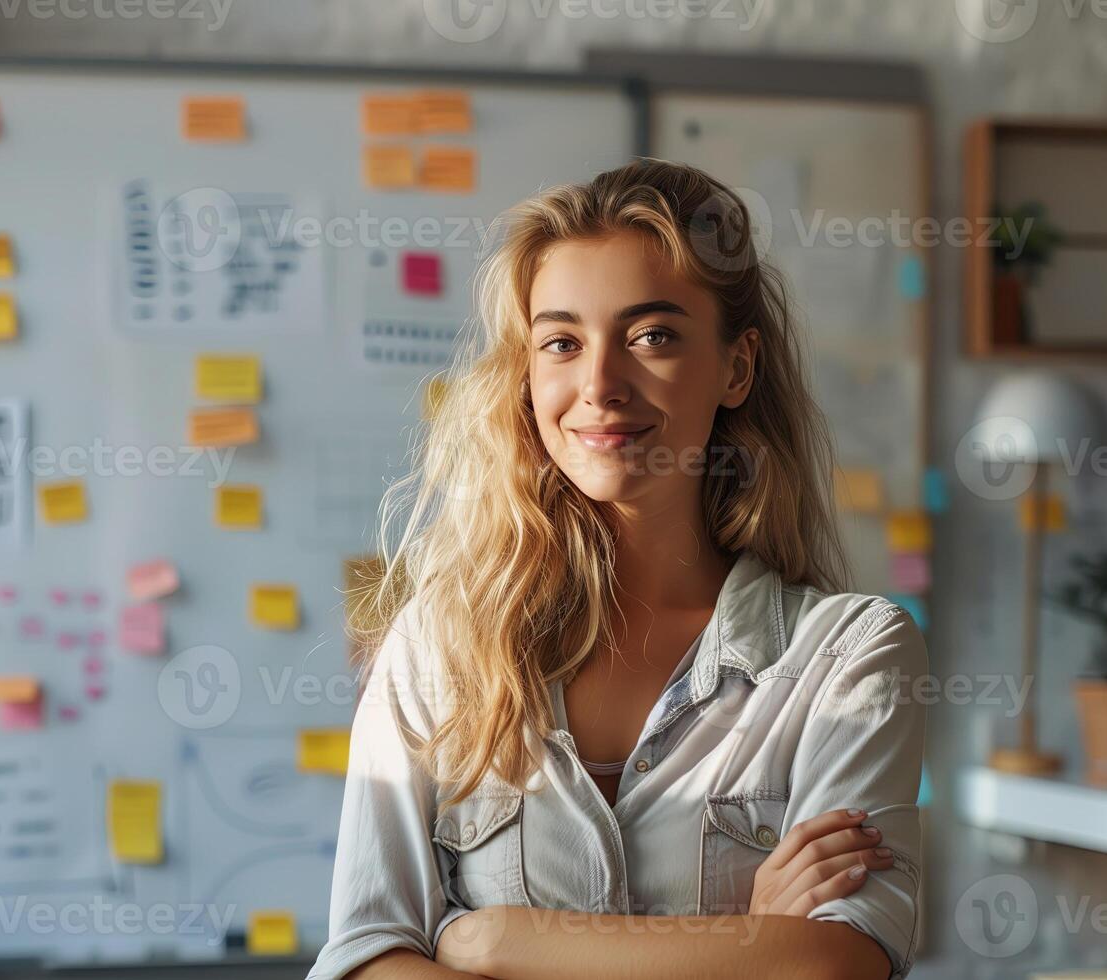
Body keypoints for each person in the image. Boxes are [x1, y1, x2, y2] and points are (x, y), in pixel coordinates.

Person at [309, 159, 927, 980]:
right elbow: (363, 959)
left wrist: (495, 943)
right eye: (560, 342)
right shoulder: (440, 645)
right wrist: (746, 941)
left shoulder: (848, 656)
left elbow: (833, 967)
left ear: (736, 367)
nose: (598, 384)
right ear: (527, 376)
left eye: (651, 336)